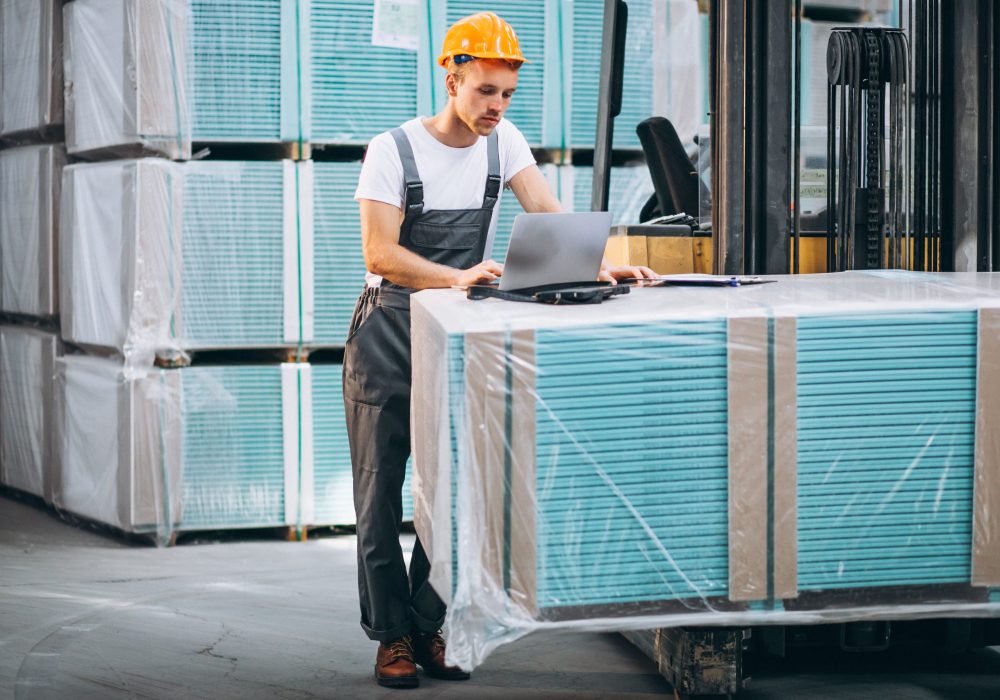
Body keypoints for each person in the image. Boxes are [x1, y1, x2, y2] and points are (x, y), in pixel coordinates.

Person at [345, 11, 654, 689]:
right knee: (381, 489)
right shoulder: (392, 150)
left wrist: (602, 267)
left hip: (456, 331)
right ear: (452, 77)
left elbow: (549, 218)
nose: (496, 106)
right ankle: (390, 634)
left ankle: (429, 624)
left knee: (456, 490)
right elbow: (380, 253)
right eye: (485, 89)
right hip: (390, 328)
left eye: (507, 94)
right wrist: (457, 275)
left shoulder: (503, 143)